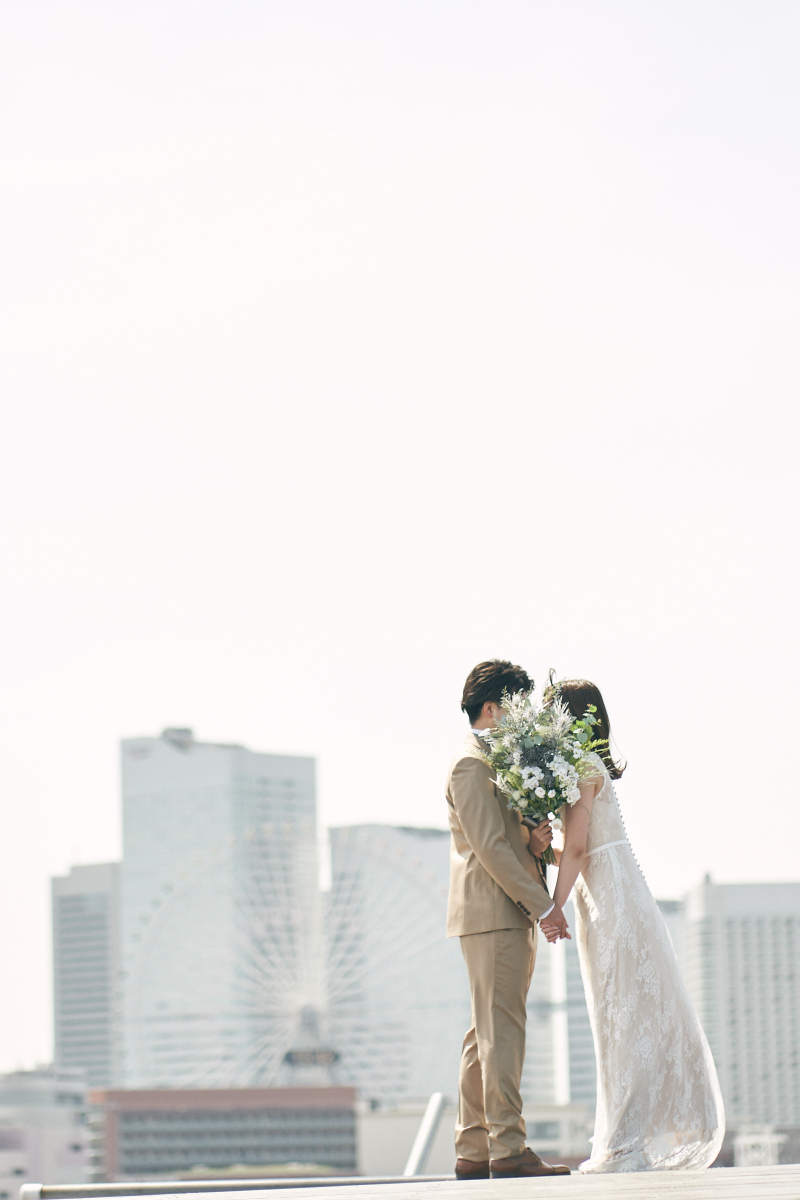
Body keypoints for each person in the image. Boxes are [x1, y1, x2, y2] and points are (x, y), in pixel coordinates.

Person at [540, 679, 725, 1173]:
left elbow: (579, 849)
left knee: (619, 1018)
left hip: (609, 902)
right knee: (619, 1016)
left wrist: (552, 905)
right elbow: (579, 847)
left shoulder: (580, 766)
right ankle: (623, 1138)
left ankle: (624, 1142)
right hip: (609, 892)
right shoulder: (589, 765)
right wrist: (544, 849)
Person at [446, 660, 571, 1180]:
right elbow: (489, 850)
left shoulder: (498, 764)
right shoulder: (471, 766)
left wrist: (535, 846)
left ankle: (474, 1151)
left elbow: (508, 843)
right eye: (515, 707)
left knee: (485, 1035)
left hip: (501, 911)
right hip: (494, 912)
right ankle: (509, 1148)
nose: (522, 719)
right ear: (492, 707)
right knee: (503, 1033)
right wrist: (544, 906)